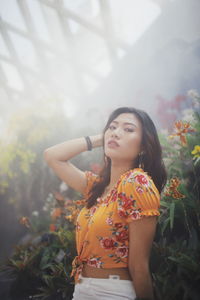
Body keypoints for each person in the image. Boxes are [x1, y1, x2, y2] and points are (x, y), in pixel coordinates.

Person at [44, 107, 167, 300]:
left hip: (112, 292)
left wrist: (111, 134)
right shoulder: (97, 187)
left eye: (128, 129)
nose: (117, 132)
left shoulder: (137, 183)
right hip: (82, 288)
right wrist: (104, 137)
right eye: (113, 127)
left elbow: (139, 266)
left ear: (143, 146)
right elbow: (52, 156)